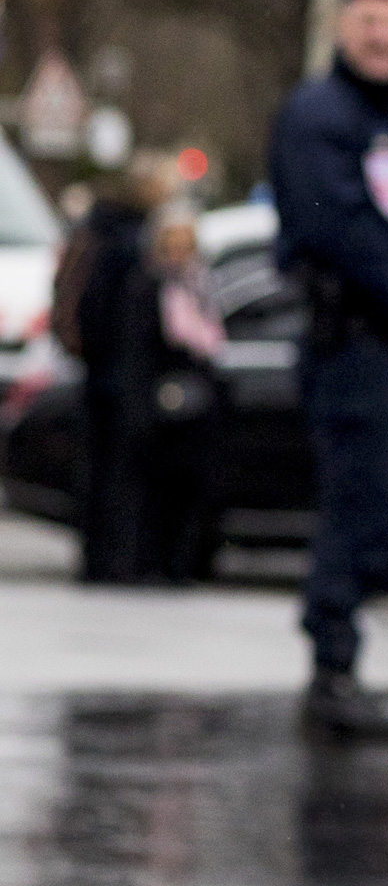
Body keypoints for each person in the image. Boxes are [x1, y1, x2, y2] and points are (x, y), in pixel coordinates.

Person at [268, 0, 388, 735]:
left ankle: (342, 664)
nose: (383, 38)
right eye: (370, 22)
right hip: (351, 343)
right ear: (342, 27)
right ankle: (332, 672)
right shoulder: (319, 114)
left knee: (378, 507)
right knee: (354, 506)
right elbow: (334, 225)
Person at [65, 151, 179, 582]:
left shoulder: (101, 231)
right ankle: (115, 562)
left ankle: (100, 559)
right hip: (123, 376)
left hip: (100, 374)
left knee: (100, 471)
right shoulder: (131, 243)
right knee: (120, 473)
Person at [129, 202, 226, 584]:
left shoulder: (201, 285)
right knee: (158, 489)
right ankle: (155, 560)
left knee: (191, 488)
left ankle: (183, 561)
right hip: (161, 399)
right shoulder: (150, 286)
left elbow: (213, 341)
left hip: (196, 402)